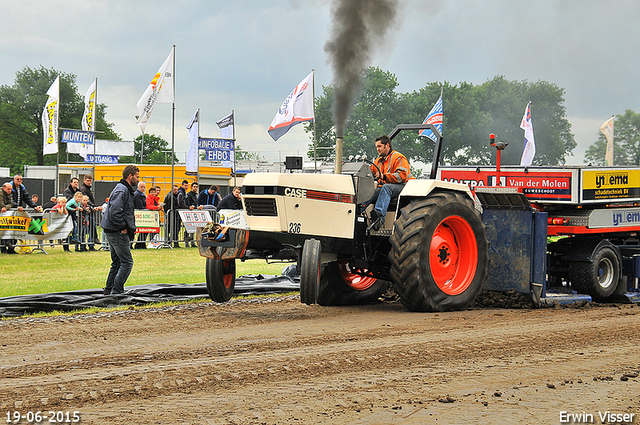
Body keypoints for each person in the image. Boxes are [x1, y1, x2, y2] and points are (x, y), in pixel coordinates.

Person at [101, 165, 139, 295]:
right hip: (116, 231)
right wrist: (123, 227)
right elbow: (115, 212)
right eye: (137, 177)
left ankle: (108, 289)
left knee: (116, 262)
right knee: (127, 262)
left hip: (112, 230)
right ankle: (116, 291)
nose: (138, 180)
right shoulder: (122, 190)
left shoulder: (122, 189)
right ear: (130, 176)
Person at [363, 135, 413, 230]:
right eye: (376, 147)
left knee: (386, 188)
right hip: (388, 187)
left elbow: (401, 176)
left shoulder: (398, 158)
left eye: (379, 146)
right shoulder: (378, 161)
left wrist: (383, 176)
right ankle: (358, 211)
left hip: (404, 186)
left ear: (387, 145)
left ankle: (379, 218)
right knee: (373, 191)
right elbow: (369, 171)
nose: (377, 149)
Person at [79, 174, 101, 251]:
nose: (89, 182)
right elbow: (86, 200)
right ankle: (89, 243)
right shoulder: (83, 189)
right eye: (87, 180)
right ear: (84, 180)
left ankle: (91, 243)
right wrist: (92, 207)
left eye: (90, 181)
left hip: (90, 210)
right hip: (86, 212)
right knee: (89, 228)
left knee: (92, 227)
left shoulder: (88, 189)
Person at [1, 182, 16, 254]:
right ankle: (3, 248)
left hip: (4, 216)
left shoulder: (9, 193)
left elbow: (11, 203)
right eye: (8, 189)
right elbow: (1, 204)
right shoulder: (0, 192)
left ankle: (8, 247)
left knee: (6, 231)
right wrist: (4, 207)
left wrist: (5, 207)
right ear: (4, 188)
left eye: (11, 189)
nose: (10, 191)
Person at [133, 181, 147, 249]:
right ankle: (137, 244)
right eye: (141, 187)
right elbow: (139, 205)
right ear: (138, 187)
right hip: (138, 215)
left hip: (140, 215)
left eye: (144, 187)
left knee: (143, 230)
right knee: (135, 230)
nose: (143, 188)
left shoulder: (142, 195)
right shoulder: (137, 194)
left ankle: (140, 243)